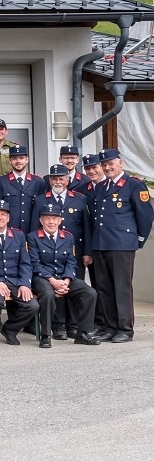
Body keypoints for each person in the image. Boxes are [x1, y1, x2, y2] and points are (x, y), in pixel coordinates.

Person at [89, 148, 154, 343]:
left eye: (111, 163)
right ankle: (110, 327)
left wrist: (138, 240)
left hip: (121, 245)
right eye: (104, 164)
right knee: (104, 287)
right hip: (101, 243)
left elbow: (146, 215)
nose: (107, 167)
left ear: (120, 163)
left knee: (121, 287)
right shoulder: (101, 187)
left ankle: (125, 328)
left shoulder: (134, 185)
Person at [28, 202, 101, 347]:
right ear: (40, 220)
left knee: (90, 293)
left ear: (60, 220)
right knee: (48, 295)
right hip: (42, 278)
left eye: (54, 218)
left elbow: (71, 262)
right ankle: (46, 335)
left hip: (64, 278)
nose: (51, 222)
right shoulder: (32, 237)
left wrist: (67, 280)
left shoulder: (67, 237)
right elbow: (35, 263)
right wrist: (53, 281)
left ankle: (83, 333)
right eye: (47, 218)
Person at [31, 163, 91, 340]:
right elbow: (35, 225)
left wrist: (87, 252)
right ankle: (58, 326)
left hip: (73, 251)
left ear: (68, 180)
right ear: (49, 181)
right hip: (45, 251)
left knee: (70, 286)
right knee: (54, 290)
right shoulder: (41, 199)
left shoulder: (79, 198)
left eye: (61, 178)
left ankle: (73, 325)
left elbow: (86, 226)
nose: (58, 181)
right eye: (54, 178)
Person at [0, 199, 39, 346]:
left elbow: (25, 263)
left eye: (3, 214)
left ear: (8, 218)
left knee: (32, 305)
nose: (0, 217)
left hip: (14, 281)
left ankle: (10, 329)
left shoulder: (18, 236)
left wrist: (25, 284)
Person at [0, 144, 44, 232]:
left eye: (21, 158)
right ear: (10, 161)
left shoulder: (38, 182)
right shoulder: (0, 182)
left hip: (32, 232)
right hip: (9, 234)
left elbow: (42, 211)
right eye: (14, 158)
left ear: (27, 159)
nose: (18, 161)